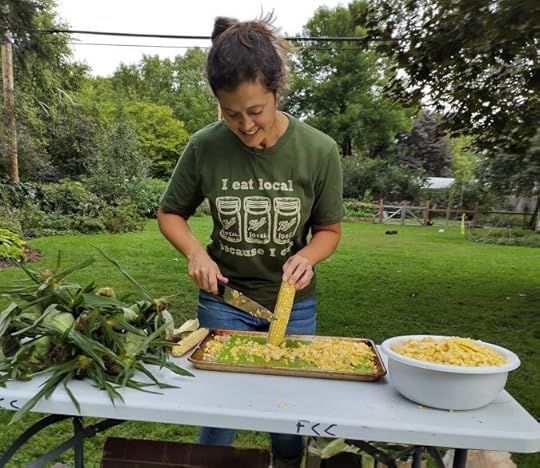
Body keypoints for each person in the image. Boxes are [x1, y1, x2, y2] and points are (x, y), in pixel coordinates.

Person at [157, 13, 343, 468]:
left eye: (255, 110)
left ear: (277, 90)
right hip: (223, 300)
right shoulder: (204, 146)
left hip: (293, 304)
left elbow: (329, 231)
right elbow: (170, 213)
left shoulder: (319, 150)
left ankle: (285, 462)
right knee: (219, 406)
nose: (245, 125)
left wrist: (307, 256)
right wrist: (196, 252)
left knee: (287, 409)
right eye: (231, 113)